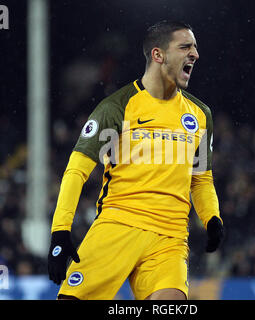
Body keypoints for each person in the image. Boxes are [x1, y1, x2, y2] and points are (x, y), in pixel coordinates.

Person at [47, 20, 224, 300]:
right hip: (119, 225)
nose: (195, 54)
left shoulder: (200, 115)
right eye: (185, 47)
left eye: (196, 48)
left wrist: (211, 217)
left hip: (170, 237)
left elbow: (201, 177)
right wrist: (60, 233)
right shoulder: (117, 107)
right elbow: (76, 171)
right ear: (158, 55)